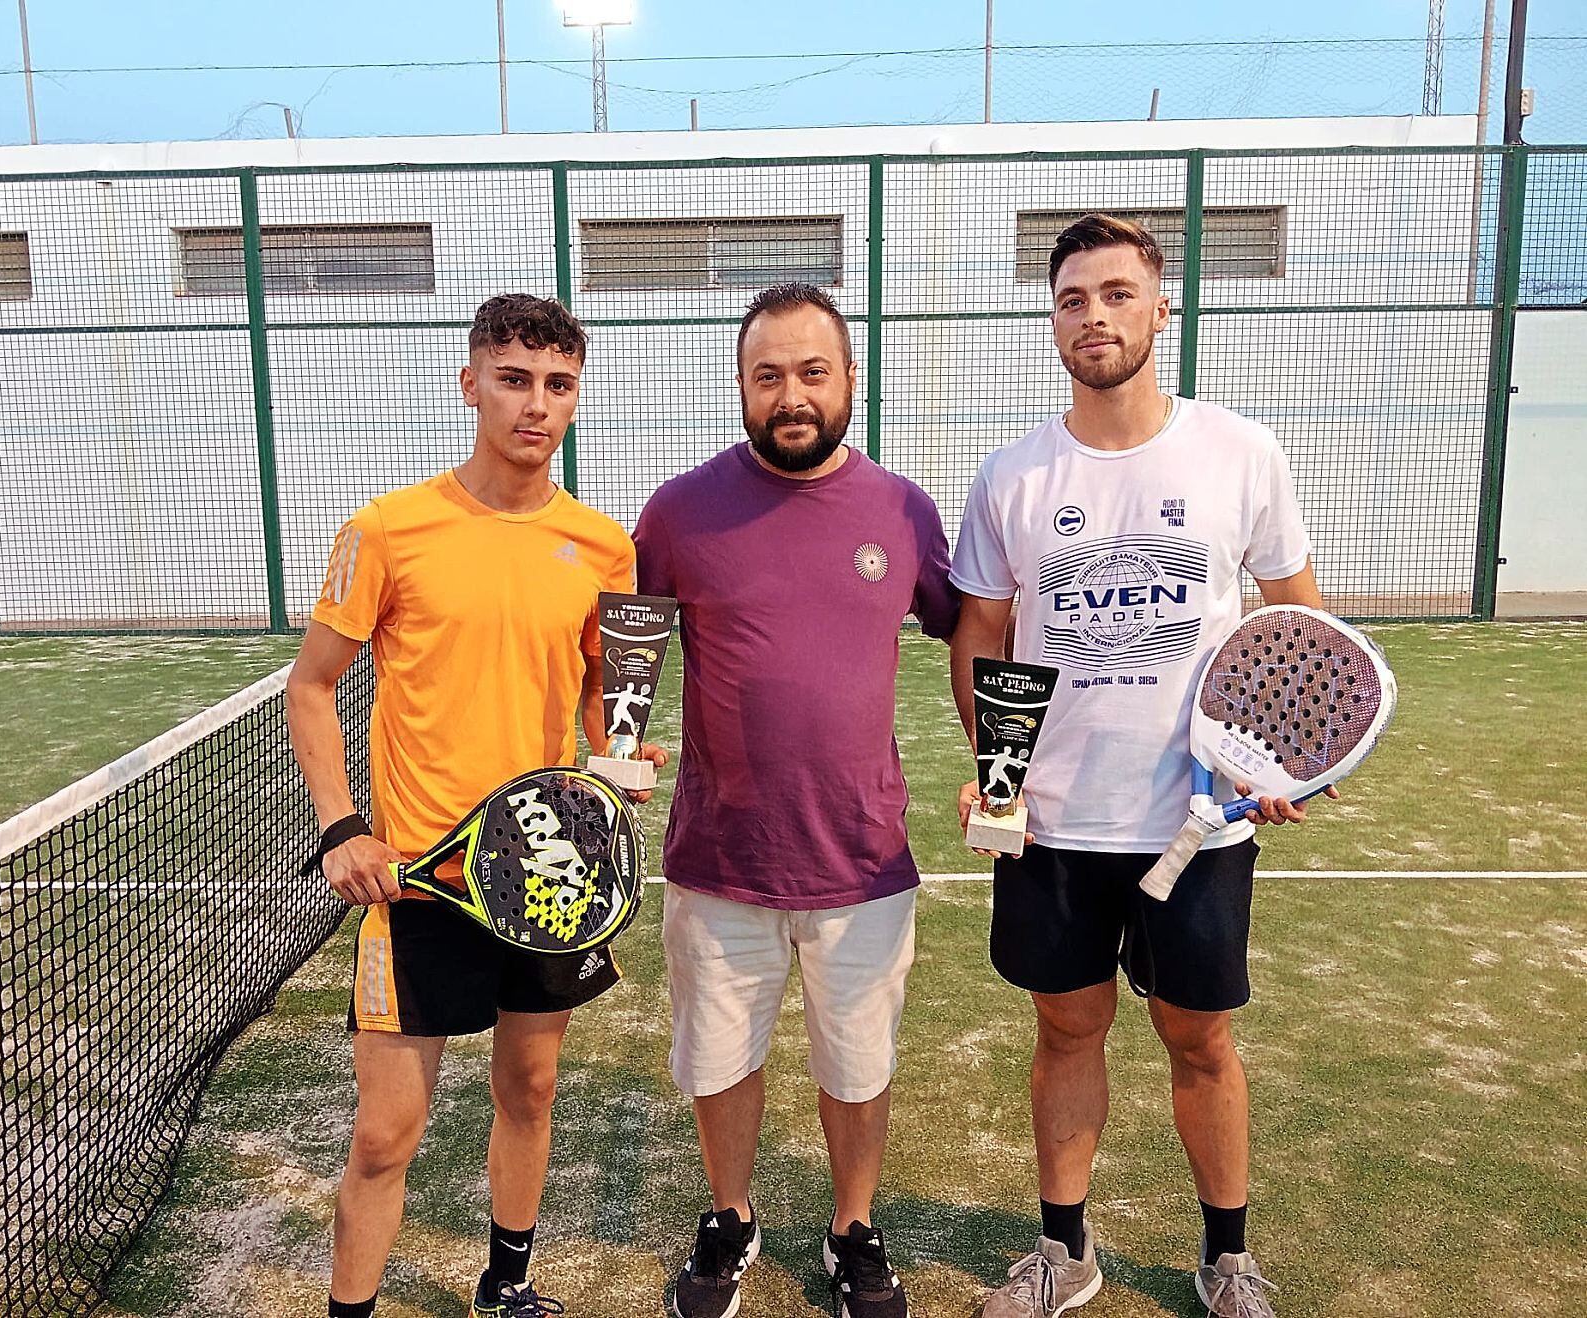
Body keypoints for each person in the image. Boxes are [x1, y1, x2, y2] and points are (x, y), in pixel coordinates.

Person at [948, 214, 1330, 1318]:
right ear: (1052, 320)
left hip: (1198, 820)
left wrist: (1289, 757)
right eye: (1072, 299)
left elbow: (1294, 617)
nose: (1094, 316)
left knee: (1197, 1037)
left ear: (1163, 308)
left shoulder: (1239, 451)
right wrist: (996, 763)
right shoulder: (1013, 475)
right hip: (1055, 821)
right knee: (1065, 1028)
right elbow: (979, 627)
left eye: (1117, 294)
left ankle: (1228, 1257)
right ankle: (1065, 1251)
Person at [286, 293, 663, 1318]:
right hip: (415, 879)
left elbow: (602, 690)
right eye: (513, 379)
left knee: (530, 1090)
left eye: (557, 385)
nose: (535, 404)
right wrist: (341, 826)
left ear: (574, 399)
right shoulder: (387, 529)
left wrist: (616, 746)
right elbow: (310, 683)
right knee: (383, 1133)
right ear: (471, 385)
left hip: (544, 876)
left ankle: (508, 1280)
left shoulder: (602, 548)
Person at [634, 283, 961, 1318]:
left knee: (857, 1066)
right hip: (719, 858)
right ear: (739, 385)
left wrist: (1013, 762)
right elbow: (625, 655)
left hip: (862, 858)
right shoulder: (678, 510)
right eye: (767, 374)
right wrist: (609, 742)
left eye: (811, 372)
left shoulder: (902, 509)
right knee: (718, 1059)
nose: (791, 394)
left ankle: (852, 1226)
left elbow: (971, 629)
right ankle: (730, 1215)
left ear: (849, 380)